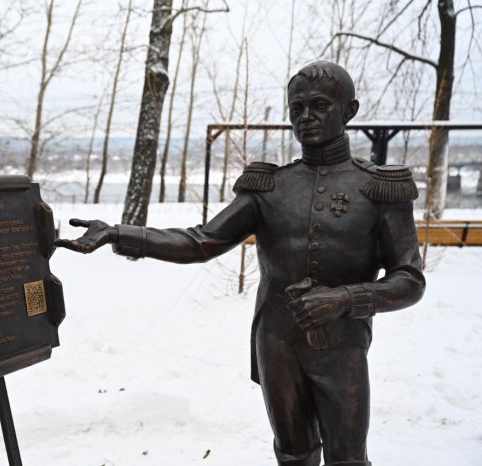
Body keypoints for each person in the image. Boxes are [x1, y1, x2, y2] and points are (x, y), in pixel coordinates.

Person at [55, 61, 425, 466]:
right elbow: (202, 241)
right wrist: (120, 234)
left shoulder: (379, 187)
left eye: (319, 105)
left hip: (342, 346)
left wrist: (343, 300)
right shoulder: (271, 186)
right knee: (293, 453)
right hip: (277, 342)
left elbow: (409, 280)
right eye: (296, 107)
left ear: (348, 111)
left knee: (348, 458)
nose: (306, 117)